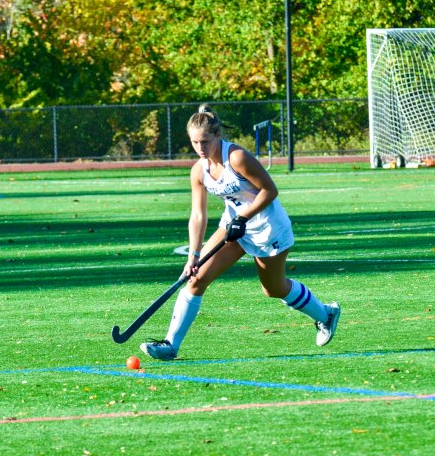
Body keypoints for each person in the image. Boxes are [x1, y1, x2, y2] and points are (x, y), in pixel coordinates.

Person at [139, 104, 340, 360]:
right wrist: (193, 255)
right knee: (196, 277)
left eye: (205, 141)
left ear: (218, 136)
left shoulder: (236, 158)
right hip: (233, 227)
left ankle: (326, 314)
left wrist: (243, 217)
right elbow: (198, 215)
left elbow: (269, 190)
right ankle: (171, 345)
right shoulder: (198, 171)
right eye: (194, 143)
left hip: (268, 228)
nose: (200, 148)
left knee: (274, 288)